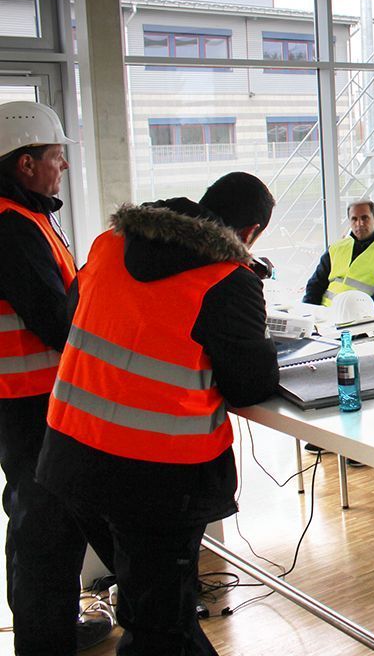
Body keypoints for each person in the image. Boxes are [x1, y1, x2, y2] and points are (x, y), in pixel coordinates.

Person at [37, 172, 280, 655]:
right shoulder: (228, 279)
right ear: (250, 233)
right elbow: (250, 386)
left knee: (154, 615)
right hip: (156, 483)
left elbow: (77, 318)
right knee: (158, 630)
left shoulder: (110, 242)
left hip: (71, 457)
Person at [0, 100, 112, 653]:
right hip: (29, 402)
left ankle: (50, 628)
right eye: (54, 156)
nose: (61, 166)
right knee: (45, 528)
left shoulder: (28, 217)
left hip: (28, 399)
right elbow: (56, 320)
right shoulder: (11, 228)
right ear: (24, 164)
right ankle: (45, 642)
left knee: (39, 520)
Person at [303, 199, 374, 305]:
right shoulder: (336, 248)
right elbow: (315, 286)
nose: (359, 223)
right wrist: (310, 311)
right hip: (326, 314)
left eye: (365, 218)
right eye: (354, 219)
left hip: (362, 315)